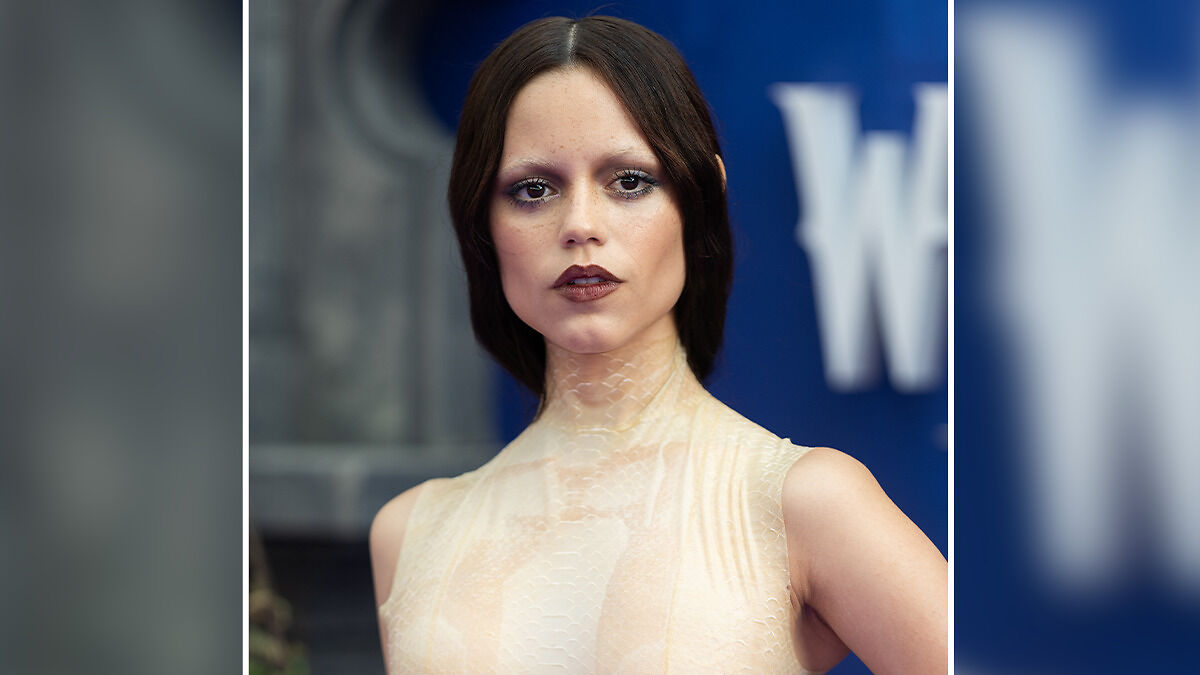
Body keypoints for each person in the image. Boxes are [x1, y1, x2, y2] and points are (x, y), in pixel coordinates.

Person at [370, 15, 946, 674]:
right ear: (482, 224)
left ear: (698, 203)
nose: (580, 225)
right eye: (534, 189)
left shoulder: (803, 500)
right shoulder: (410, 533)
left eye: (629, 181)